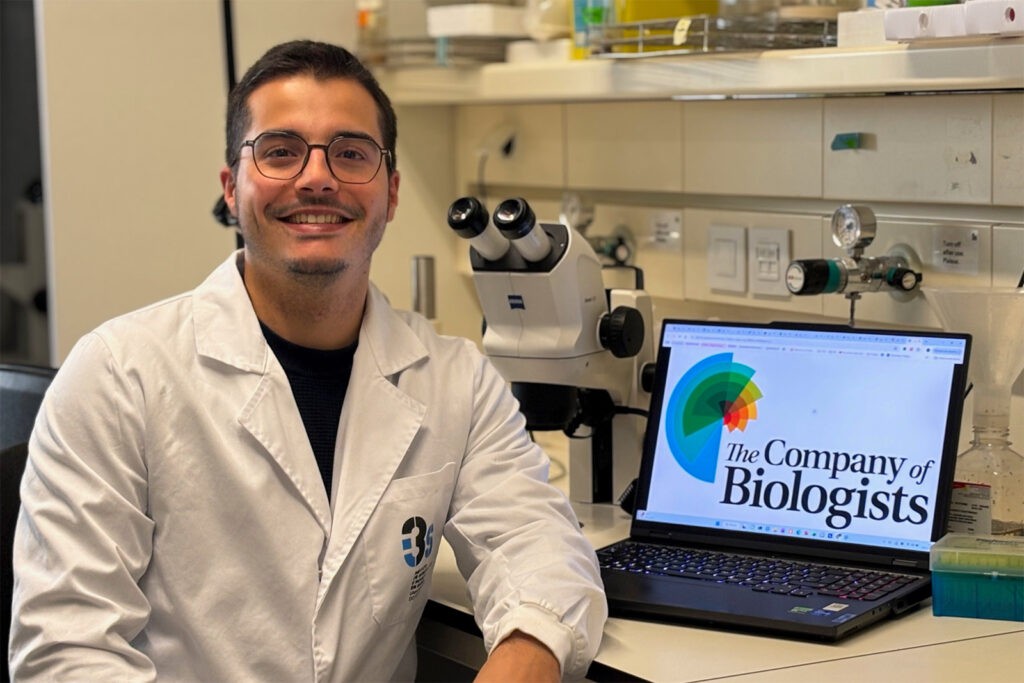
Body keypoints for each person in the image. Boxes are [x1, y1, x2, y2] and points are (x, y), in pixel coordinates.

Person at [9, 40, 606, 681]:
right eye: (280, 152)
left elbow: (536, 540)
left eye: (350, 154)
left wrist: (526, 650)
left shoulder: (456, 379)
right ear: (231, 190)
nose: (317, 177)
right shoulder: (117, 375)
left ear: (391, 193)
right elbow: (67, 653)